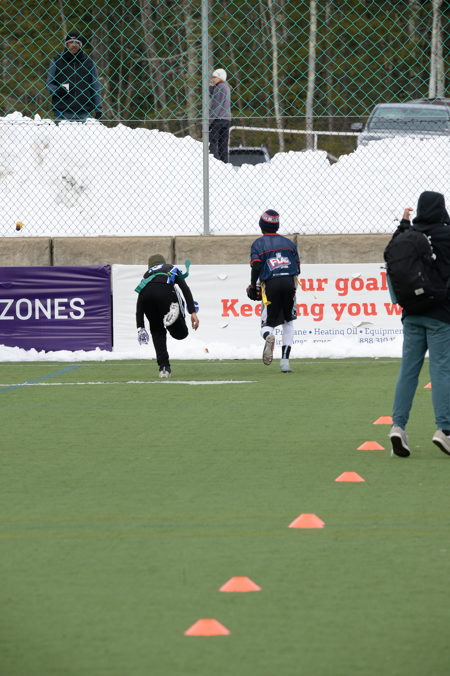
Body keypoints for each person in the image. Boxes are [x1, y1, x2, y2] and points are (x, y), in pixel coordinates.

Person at [389, 191, 450, 457]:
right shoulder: (446, 235)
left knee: (408, 371)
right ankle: (445, 430)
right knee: (441, 371)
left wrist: (404, 223)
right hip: (441, 314)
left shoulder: (409, 235)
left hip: (412, 313)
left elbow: (391, 252)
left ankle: (398, 426)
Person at [247, 210, 300, 372]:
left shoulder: (258, 244)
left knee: (267, 323)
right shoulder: (289, 243)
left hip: (271, 284)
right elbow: (297, 268)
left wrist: (253, 285)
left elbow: (256, 265)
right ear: (277, 225)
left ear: (261, 225)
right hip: (289, 283)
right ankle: (285, 361)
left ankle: (268, 336)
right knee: (288, 322)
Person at [135, 254, 199, 378]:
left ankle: (164, 368)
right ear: (163, 262)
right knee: (181, 334)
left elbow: (140, 301)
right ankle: (173, 320)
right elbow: (185, 288)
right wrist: (192, 312)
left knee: (157, 331)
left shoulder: (146, 275)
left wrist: (140, 327)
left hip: (147, 297)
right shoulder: (171, 268)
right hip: (166, 293)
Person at [46, 32, 102, 121]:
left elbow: (95, 86)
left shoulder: (88, 62)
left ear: (80, 45)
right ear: (66, 44)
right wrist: (58, 90)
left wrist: (98, 108)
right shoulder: (57, 61)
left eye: (77, 42)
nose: (74, 45)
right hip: (62, 111)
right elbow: (49, 84)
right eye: (71, 42)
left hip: (85, 112)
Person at [209, 68, 231, 163]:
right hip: (226, 119)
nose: (212, 79)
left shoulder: (220, 87)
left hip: (218, 118)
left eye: (215, 77)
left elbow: (216, 105)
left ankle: (215, 162)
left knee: (212, 141)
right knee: (223, 143)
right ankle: (224, 163)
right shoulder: (226, 87)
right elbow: (216, 97)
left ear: (220, 78)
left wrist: (210, 121)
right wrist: (211, 88)